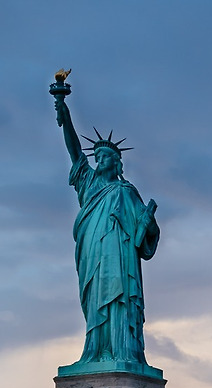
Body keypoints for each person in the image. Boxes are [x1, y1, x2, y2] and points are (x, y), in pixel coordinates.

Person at [55, 94, 159, 370]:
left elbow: (145, 233)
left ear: (116, 163)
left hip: (120, 259)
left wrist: (148, 224)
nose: (98, 161)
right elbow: (74, 150)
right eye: (97, 157)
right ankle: (96, 351)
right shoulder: (87, 184)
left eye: (104, 158)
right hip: (92, 253)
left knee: (120, 301)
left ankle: (123, 352)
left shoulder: (126, 192)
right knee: (95, 302)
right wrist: (63, 112)